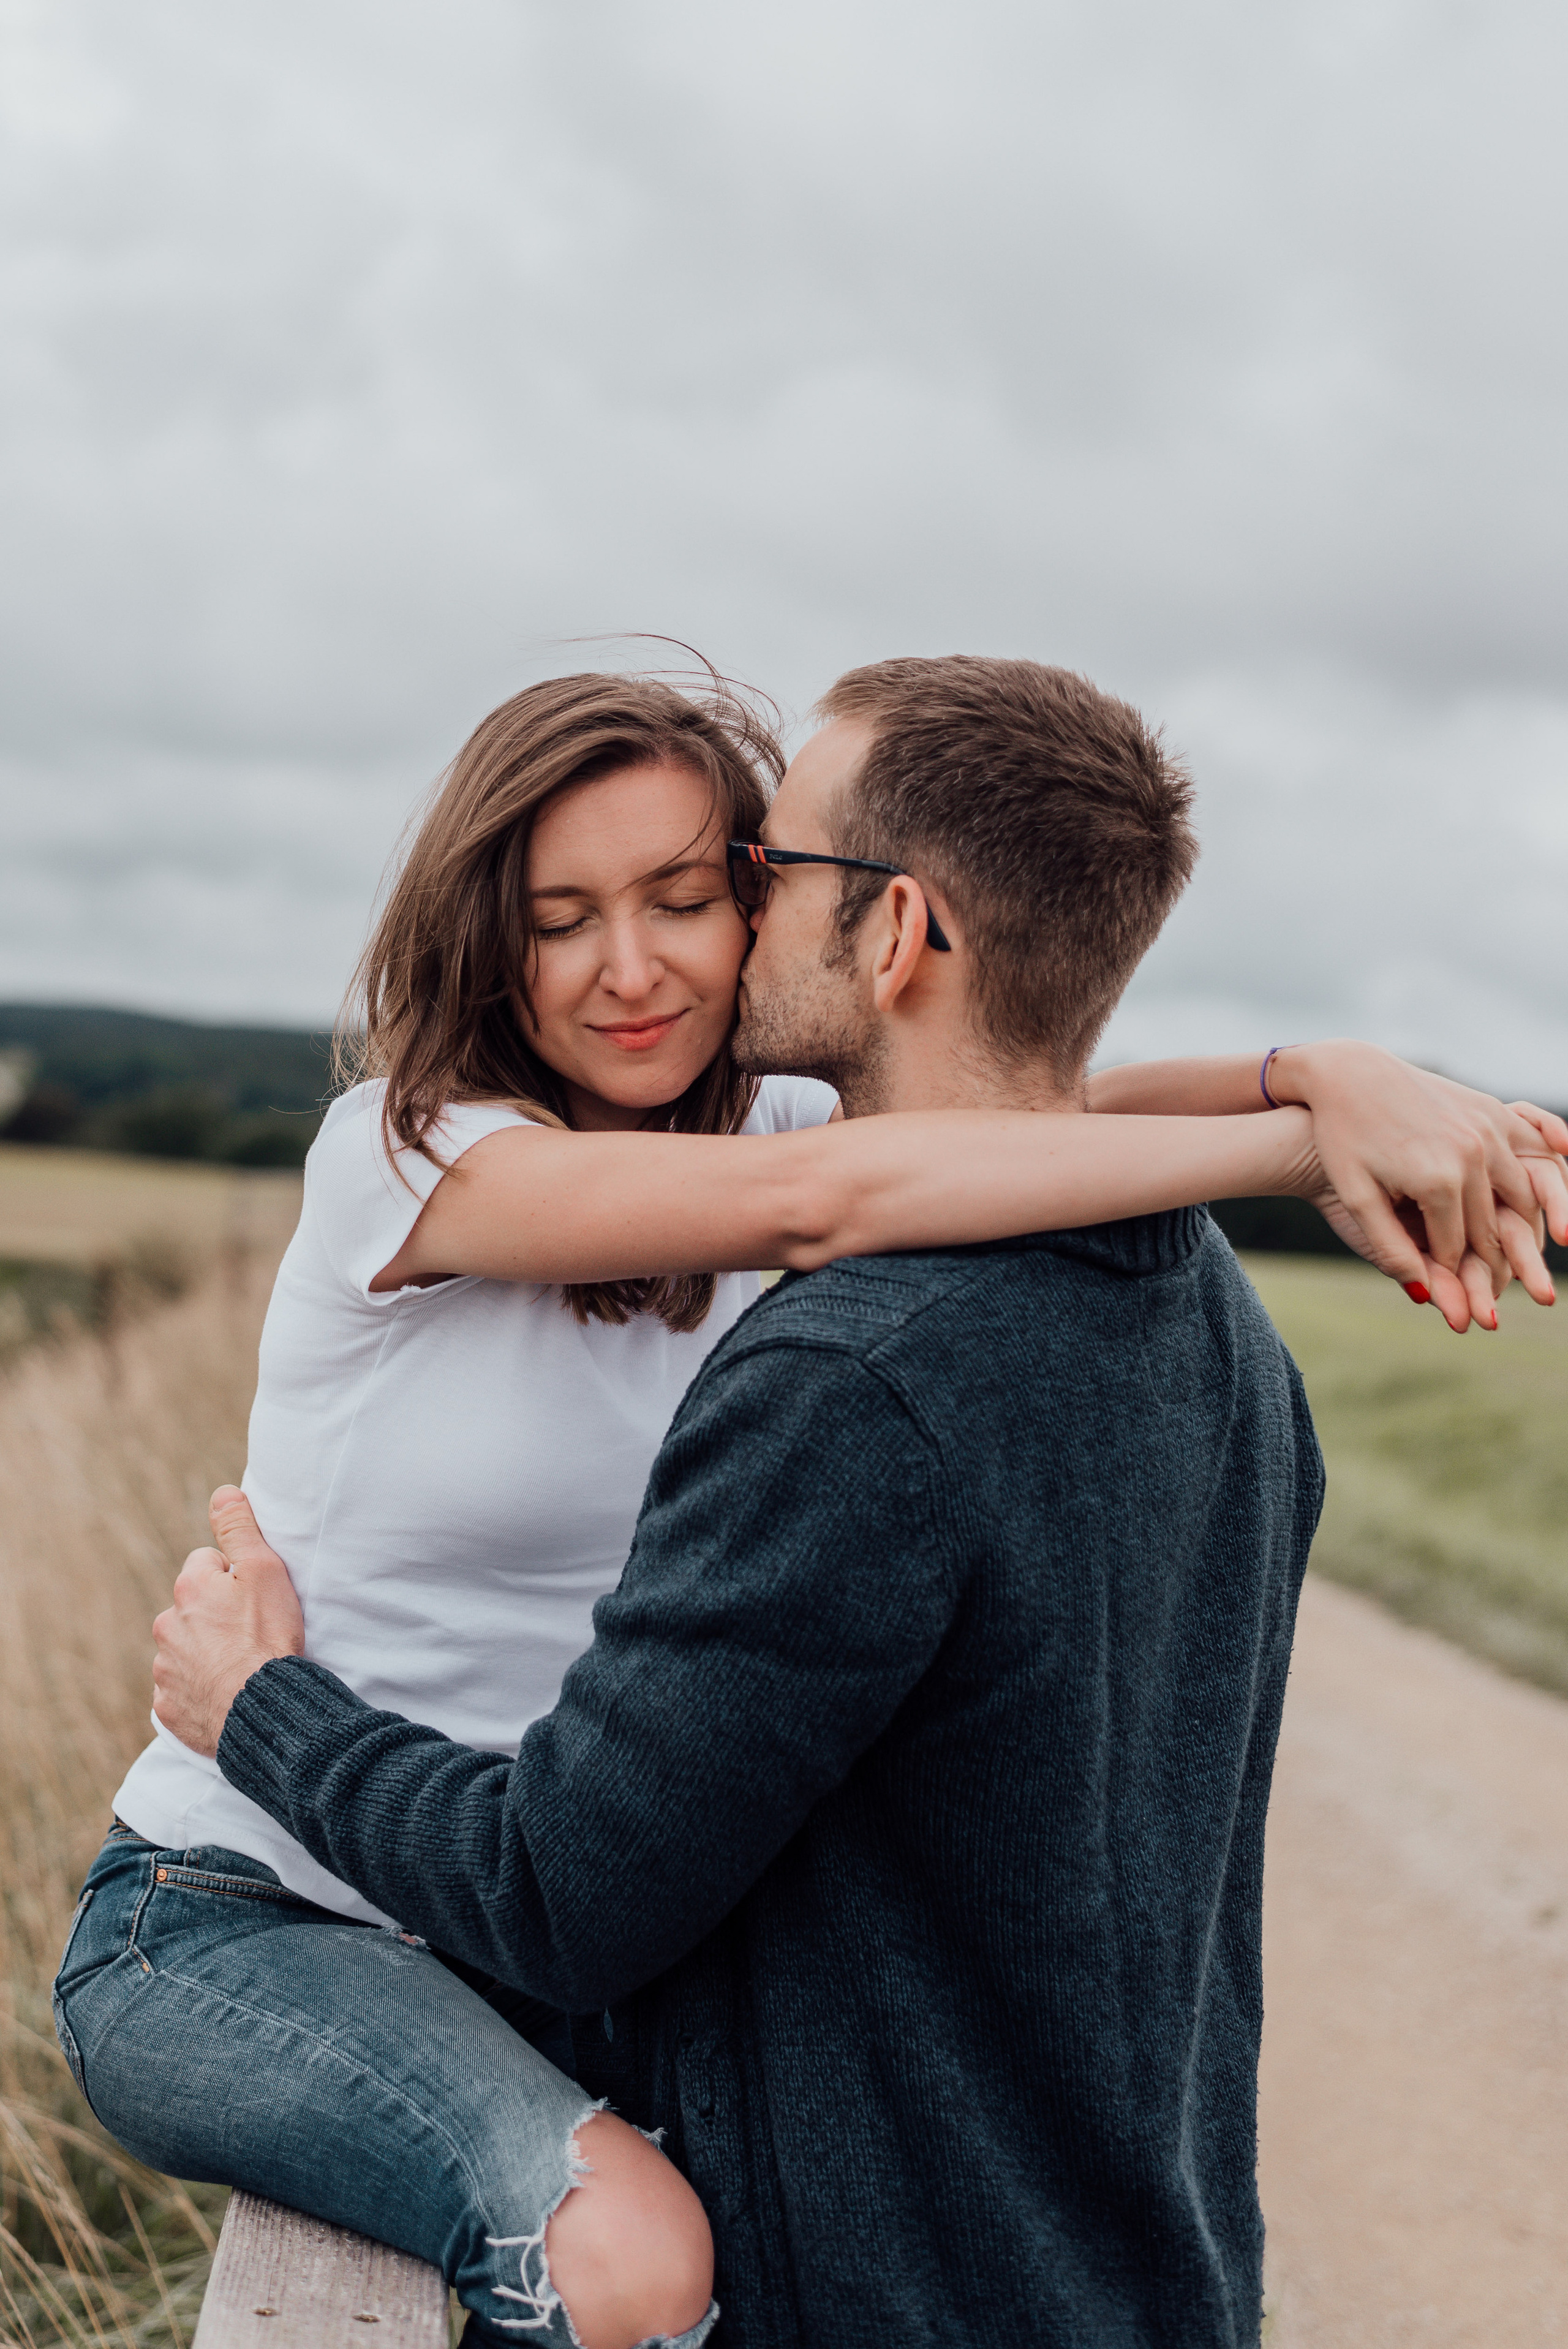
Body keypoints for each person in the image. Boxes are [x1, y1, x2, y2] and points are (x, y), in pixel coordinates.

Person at [127, 656, 1568, 2349]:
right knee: (619, 2243)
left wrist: (1323, 1078)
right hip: (276, 1894)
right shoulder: (420, 1153)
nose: (647, 959)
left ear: (886, 933)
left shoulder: (838, 1295)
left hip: (555, 1962)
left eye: (725, 883)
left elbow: (1026, 1121)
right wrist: (1304, 1128)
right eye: (562, 918)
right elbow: (864, 1178)